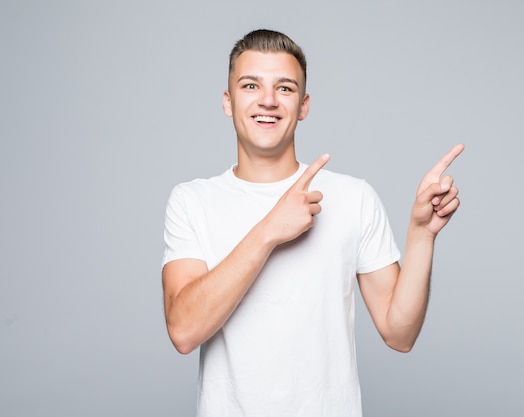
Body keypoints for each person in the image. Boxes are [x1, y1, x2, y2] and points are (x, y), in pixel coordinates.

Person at [161, 29, 463, 417]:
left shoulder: (353, 197)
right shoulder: (192, 201)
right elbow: (184, 331)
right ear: (228, 101)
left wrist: (422, 235)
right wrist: (270, 230)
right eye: (251, 85)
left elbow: (400, 333)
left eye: (284, 88)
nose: (267, 100)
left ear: (303, 106)